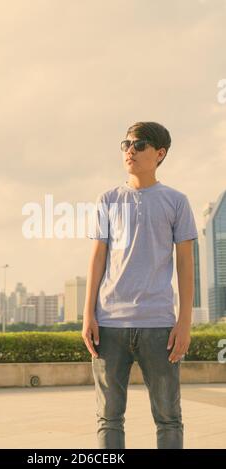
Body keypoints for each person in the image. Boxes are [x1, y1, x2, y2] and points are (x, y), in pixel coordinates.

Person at [82, 121, 198, 449]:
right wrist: (87, 314)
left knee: (168, 417)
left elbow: (185, 264)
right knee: (108, 418)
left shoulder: (177, 201)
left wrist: (184, 322)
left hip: (159, 325)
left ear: (160, 154)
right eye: (126, 144)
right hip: (109, 325)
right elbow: (97, 259)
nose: (130, 150)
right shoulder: (107, 199)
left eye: (140, 144)